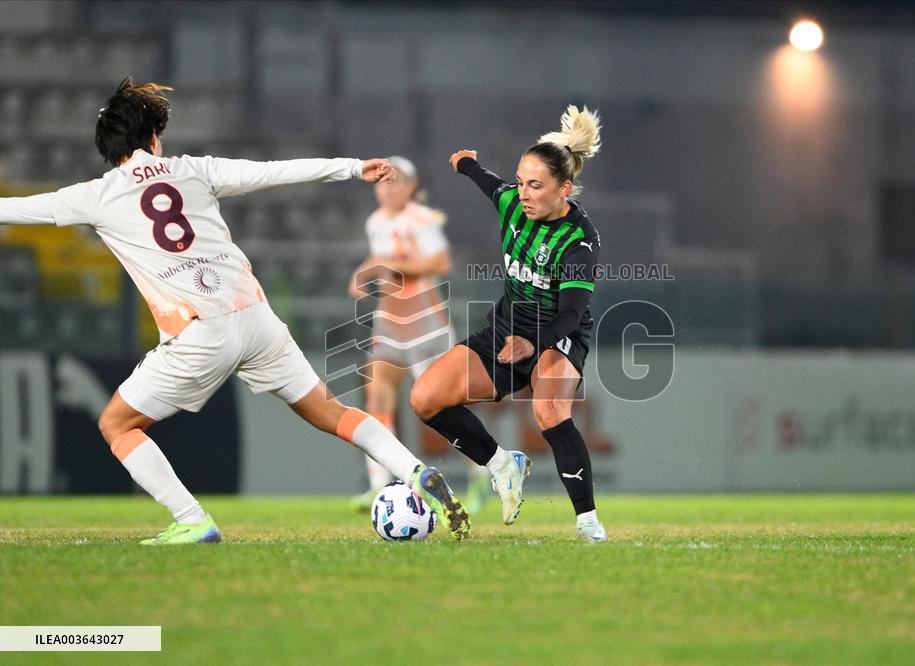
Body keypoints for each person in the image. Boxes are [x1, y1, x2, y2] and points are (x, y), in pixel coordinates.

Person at [0, 77, 470, 543]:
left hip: (200, 330)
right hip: (257, 316)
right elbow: (270, 172)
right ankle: (414, 469)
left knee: (116, 424)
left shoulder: (95, 195)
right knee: (333, 413)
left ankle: (191, 519)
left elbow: (16, 209)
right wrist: (350, 168)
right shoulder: (193, 170)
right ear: (153, 139)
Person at [409, 105, 607, 541]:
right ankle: (502, 465)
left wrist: (532, 344)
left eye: (536, 185)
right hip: (505, 329)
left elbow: (572, 313)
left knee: (549, 409)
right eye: (521, 182)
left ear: (565, 189)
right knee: (424, 399)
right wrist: (466, 164)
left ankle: (588, 523)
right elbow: (489, 183)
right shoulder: (512, 203)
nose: (523, 193)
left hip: (558, 335)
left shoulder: (579, 241)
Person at [346, 156, 493, 513]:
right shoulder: (376, 221)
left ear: (411, 187)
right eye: (383, 181)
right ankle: (378, 486)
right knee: (377, 401)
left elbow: (440, 263)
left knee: (443, 406)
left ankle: (481, 476)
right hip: (390, 324)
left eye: (396, 181)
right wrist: (362, 274)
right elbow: (381, 259)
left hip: (425, 324)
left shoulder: (422, 220)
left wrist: (386, 265)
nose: (388, 187)